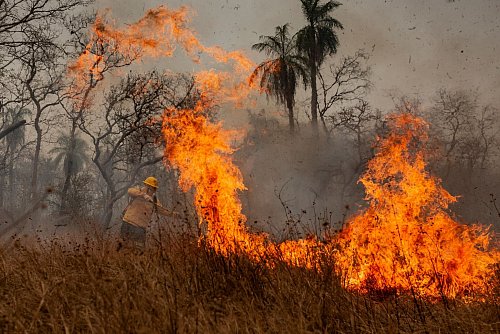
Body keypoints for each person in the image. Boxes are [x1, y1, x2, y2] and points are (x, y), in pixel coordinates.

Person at [120, 176, 168, 248]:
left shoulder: (154, 200)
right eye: (151, 187)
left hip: (140, 228)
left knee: (139, 250)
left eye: (154, 188)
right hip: (128, 223)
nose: (153, 190)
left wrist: (174, 214)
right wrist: (143, 195)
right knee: (123, 246)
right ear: (146, 186)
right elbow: (129, 191)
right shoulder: (138, 191)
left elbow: (162, 210)